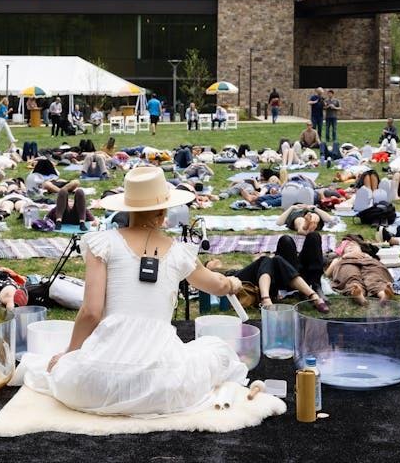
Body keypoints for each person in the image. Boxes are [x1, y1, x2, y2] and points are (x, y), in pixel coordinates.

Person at [21, 166, 249, 416]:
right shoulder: (179, 252)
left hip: (98, 384)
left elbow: (91, 312)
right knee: (216, 349)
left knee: (55, 368)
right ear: (164, 212)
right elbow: (216, 285)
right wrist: (233, 284)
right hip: (164, 386)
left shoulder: (103, 243)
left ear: (127, 209)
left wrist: (69, 355)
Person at [325, 236, 394, 305]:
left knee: (374, 275)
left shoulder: (367, 256)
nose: (350, 246)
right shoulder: (340, 259)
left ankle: (383, 294)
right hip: (347, 263)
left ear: (360, 248)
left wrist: (368, 258)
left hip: (368, 263)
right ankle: (358, 294)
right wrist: (343, 258)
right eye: (347, 246)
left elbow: (378, 268)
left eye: (354, 245)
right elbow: (326, 275)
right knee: (351, 276)